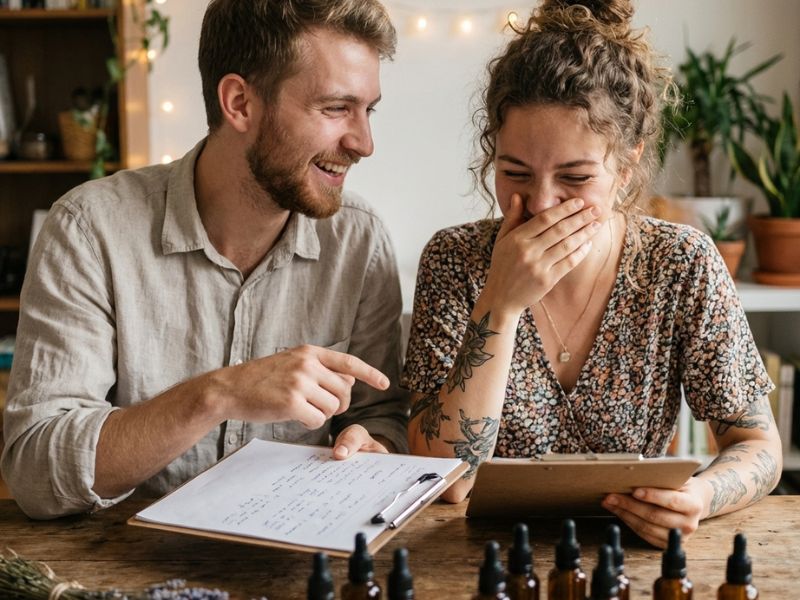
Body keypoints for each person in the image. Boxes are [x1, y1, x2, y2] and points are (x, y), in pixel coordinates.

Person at [1, 0, 408, 519]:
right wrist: (217, 394)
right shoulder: (89, 230)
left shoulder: (360, 241)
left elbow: (382, 416)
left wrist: (372, 447)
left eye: (367, 110)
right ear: (239, 102)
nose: (363, 143)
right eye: (335, 108)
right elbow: (36, 470)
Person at [402, 0, 782, 548]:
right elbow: (447, 478)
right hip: (480, 558)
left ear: (625, 169)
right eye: (514, 173)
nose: (540, 203)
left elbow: (758, 446)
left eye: (575, 178)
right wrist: (500, 305)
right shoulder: (454, 259)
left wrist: (699, 496)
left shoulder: (681, 263)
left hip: (631, 555)